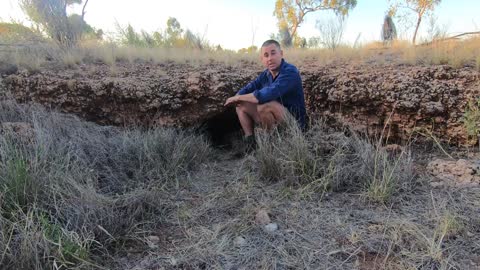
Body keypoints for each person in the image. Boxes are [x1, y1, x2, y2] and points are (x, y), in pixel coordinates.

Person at [224, 39, 306, 150]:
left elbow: (266, 94)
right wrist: (237, 97)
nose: (270, 58)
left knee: (266, 104)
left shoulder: (290, 72)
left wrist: (238, 97)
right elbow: (250, 87)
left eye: (273, 53)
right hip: (276, 119)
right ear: (262, 59)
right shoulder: (266, 74)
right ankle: (251, 143)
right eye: (266, 55)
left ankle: (270, 144)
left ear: (281, 54)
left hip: (295, 125)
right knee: (240, 105)